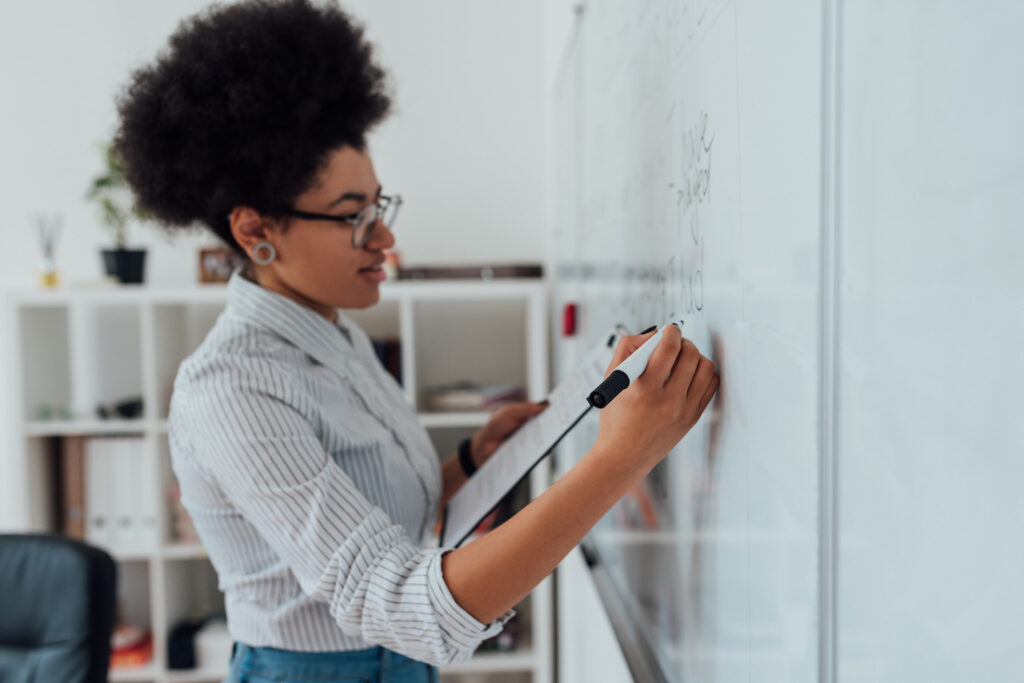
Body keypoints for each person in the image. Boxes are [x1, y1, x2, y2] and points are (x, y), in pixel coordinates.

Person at [113, 1, 719, 681]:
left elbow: (371, 514)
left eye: (380, 207)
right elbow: (410, 609)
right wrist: (619, 459)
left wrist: (471, 459)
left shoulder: (337, 336)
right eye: (353, 217)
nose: (385, 238)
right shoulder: (231, 390)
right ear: (257, 230)